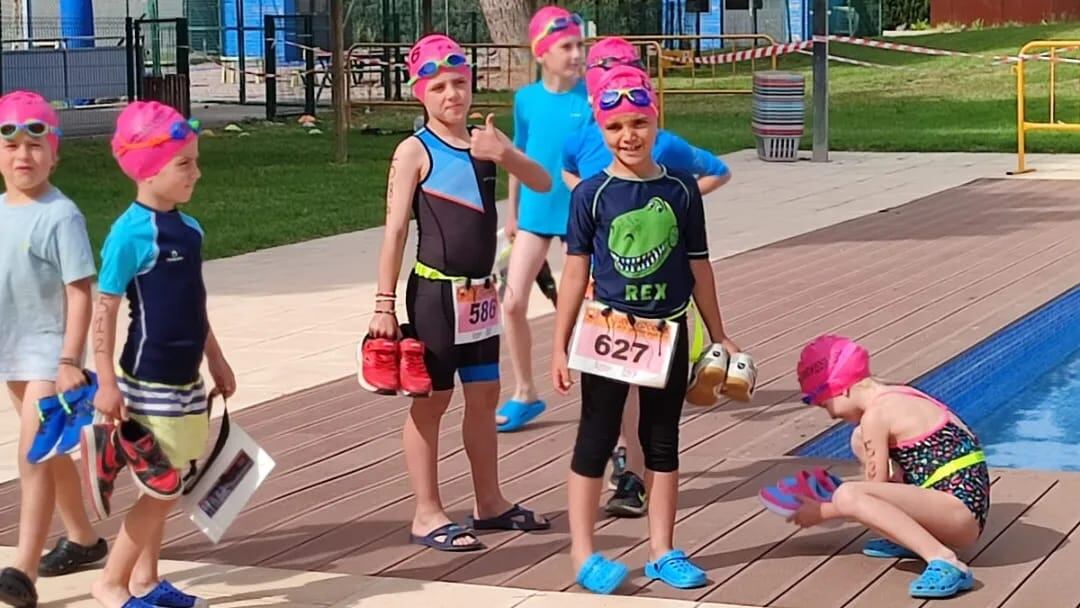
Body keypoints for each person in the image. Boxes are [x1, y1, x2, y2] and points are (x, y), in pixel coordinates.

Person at [552, 65, 741, 594]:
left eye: (638, 123)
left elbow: (699, 265)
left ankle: (662, 549)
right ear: (600, 131)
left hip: (668, 330)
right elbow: (574, 272)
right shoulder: (591, 194)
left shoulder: (682, 191)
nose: (628, 136)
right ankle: (584, 552)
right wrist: (558, 341)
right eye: (615, 127)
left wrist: (719, 332)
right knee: (596, 436)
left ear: (656, 121)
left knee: (662, 441)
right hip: (608, 329)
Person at [364, 33, 552, 553]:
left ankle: (488, 502)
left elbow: (541, 183)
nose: (452, 94)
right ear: (419, 93)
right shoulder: (414, 151)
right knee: (432, 402)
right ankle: (426, 512)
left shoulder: (484, 141)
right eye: (440, 86)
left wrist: (506, 153)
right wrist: (384, 303)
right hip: (435, 297)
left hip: (479, 295)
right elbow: (395, 231)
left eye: (460, 83)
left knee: (485, 395)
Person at [84, 100, 235, 608]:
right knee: (162, 487)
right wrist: (105, 380)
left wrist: (216, 357)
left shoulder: (189, 232)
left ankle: (147, 579)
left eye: (195, 160)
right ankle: (111, 583)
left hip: (187, 378)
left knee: (173, 480)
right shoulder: (130, 233)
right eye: (184, 163)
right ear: (147, 170)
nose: (197, 172)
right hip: (147, 381)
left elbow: (195, 302)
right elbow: (103, 311)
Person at [0, 90, 108, 608]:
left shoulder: (60, 215)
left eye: (35, 146)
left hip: (49, 354)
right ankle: (84, 539)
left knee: (32, 455)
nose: (24, 156)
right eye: (12, 145)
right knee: (47, 450)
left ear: (56, 152)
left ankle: (22, 566)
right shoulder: (1, 210)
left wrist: (70, 359)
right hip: (13, 353)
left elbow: (80, 290)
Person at [792, 335, 990, 599]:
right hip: (962, 505)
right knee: (857, 440)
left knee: (849, 495)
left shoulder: (876, 416)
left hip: (959, 517)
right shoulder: (899, 394)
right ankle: (912, 538)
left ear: (841, 389)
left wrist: (823, 511)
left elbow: (873, 491)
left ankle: (944, 559)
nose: (830, 415)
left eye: (825, 404)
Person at [495, 5, 593, 434]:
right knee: (512, 302)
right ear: (541, 53)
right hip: (535, 213)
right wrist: (511, 212)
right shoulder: (526, 100)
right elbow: (518, 155)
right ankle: (525, 391)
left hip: (579, 216)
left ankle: (600, 397)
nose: (575, 54)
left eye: (579, 46)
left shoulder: (590, 97)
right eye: (566, 47)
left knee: (585, 310)